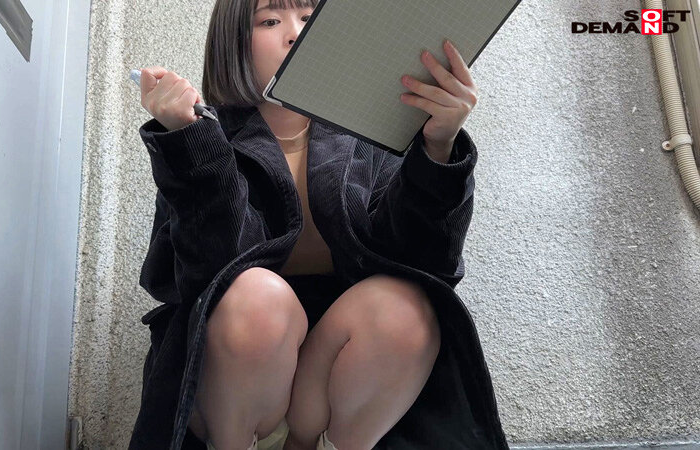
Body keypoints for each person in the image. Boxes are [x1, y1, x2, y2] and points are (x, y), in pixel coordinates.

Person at [128, 0, 508, 449]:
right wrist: (189, 140)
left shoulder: (376, 131)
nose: (296, 33)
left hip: (340, 373)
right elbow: (203, 273)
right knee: (256, 298)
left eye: (310, 19)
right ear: (234, 42)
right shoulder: (204, 136)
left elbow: (426, 264)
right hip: (236, 370)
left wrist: (439, 147)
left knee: (403, 306)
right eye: (271, 20)